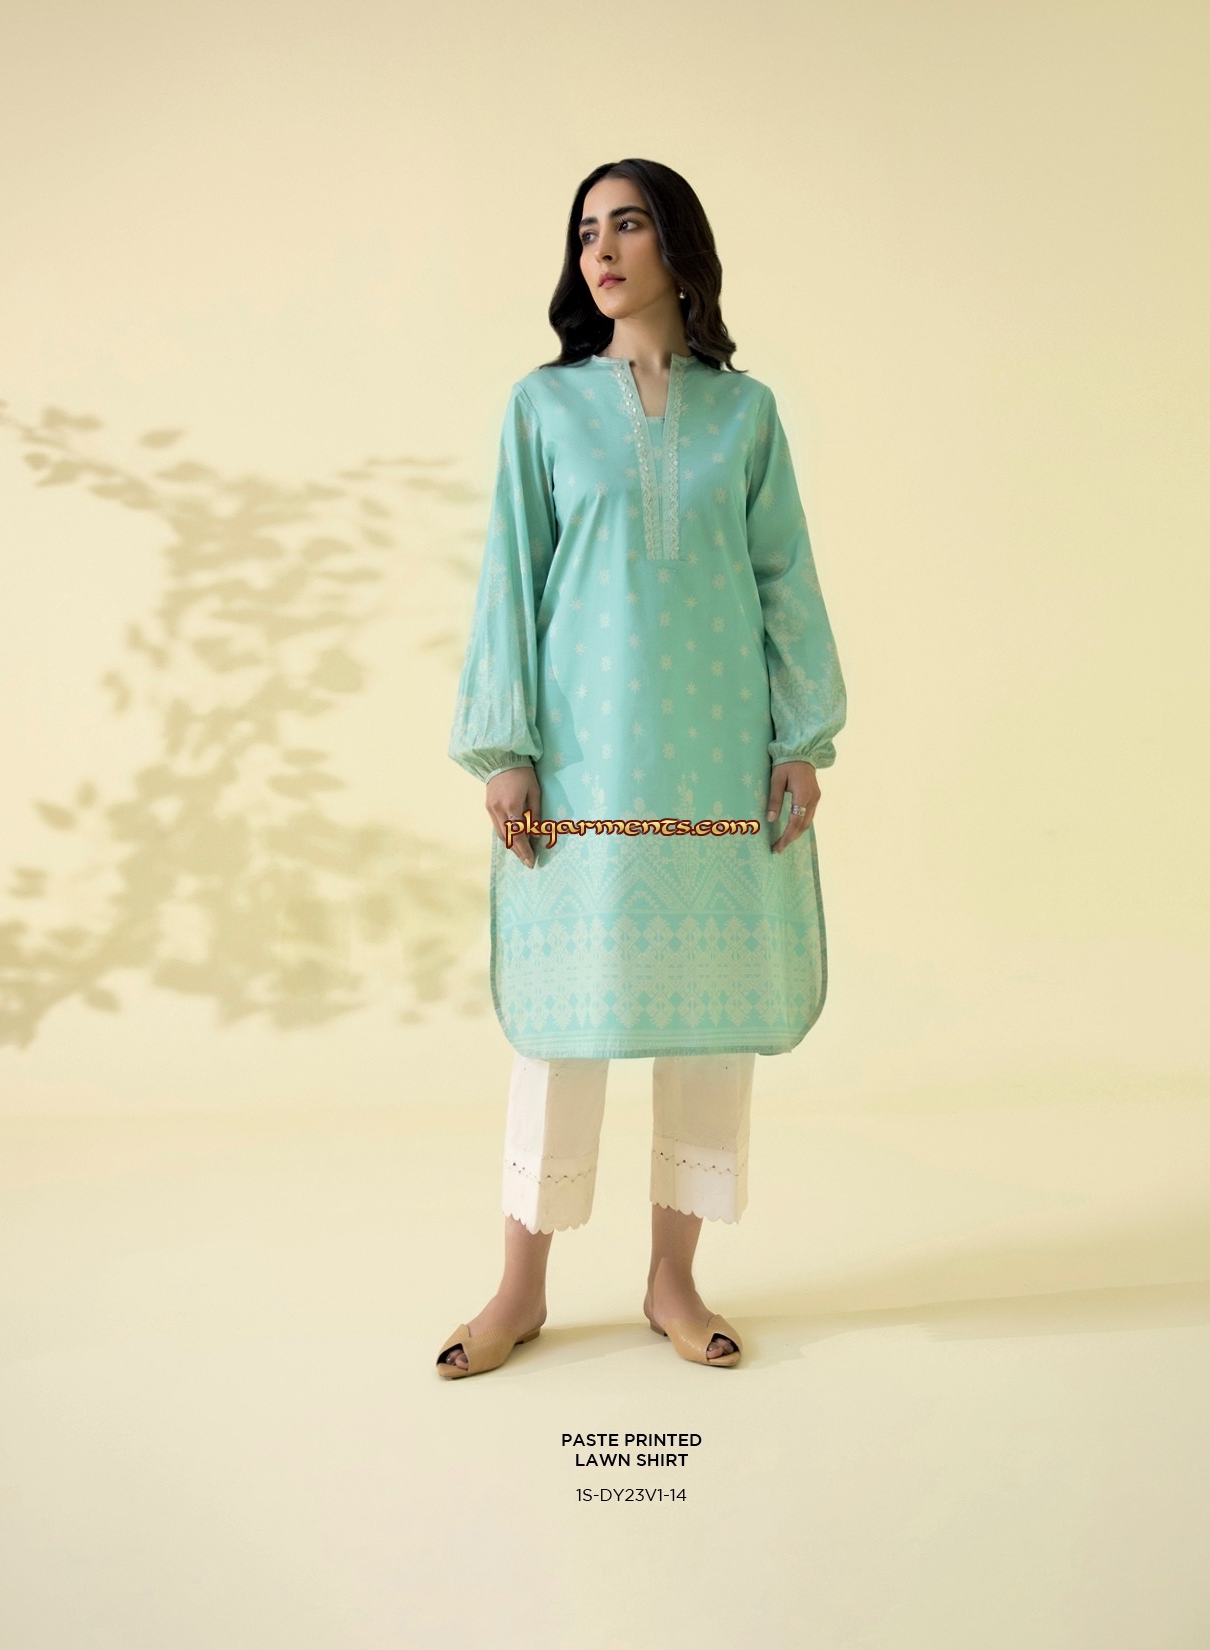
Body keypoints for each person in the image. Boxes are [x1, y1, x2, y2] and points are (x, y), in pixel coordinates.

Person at [437, 158, 847, 1377]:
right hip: (584, 764)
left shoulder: (745, 414)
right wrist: (506, 749)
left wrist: (800, 738)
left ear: (678, 246)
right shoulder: (545, 407)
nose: (602, 250)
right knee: (563, 1019)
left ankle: (674, 1280)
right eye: (586, 232)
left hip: (717, 760)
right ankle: (519, 1292)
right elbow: (510, 578)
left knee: (707, 1019)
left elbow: (784, 579)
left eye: (627, 225)